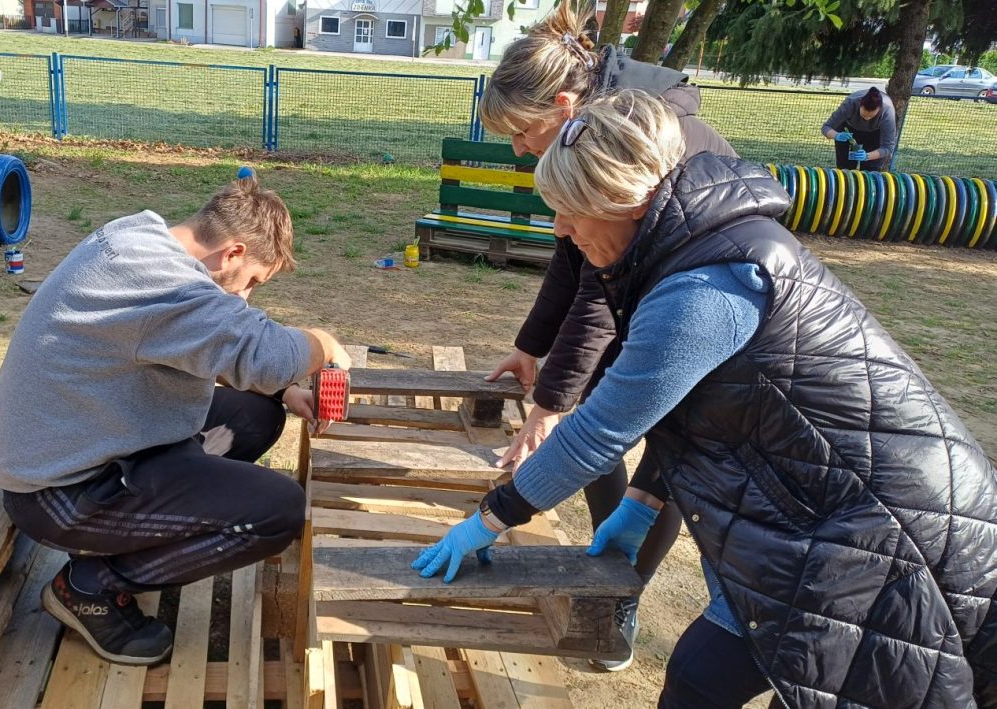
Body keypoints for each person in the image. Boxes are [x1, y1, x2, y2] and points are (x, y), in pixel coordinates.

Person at [412, 90, 997, 708]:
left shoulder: (709, 284)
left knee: (704, 680)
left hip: (884, 537)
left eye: (567, 210)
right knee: (726, 678)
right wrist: (640, 506)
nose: (559, 229)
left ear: (624, 200)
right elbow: (697, 414)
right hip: (810, 519)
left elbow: (599, 433)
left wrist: (489, 520)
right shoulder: (693, 253)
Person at [0, 168, 351, 667]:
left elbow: (198, 349)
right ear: (234, 252)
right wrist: (325, 342)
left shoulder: (139, 235)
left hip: (85, 437)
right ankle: (89, 588)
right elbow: (265, 354)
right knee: (279, 511)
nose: (247, 297)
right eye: (253, 282)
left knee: (256, 412)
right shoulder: (166, 287)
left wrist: (285, 391)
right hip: (58, 495)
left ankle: (145, 523)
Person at [474, 0, 737, 671]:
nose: (518, 148)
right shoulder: (582, 138)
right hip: (653, 282)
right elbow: (573, 260)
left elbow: (596, 294)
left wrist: (550, 406)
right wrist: (531, 350)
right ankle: (611, 549)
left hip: (706, 294)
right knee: (599, 415)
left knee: (668, 446)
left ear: (565, 103)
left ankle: (620, 594)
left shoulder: (643, 131)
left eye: (524, 131)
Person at [822, 86, 897, 170]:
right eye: (864, 115)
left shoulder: (887, 112)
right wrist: (837, 135)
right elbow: (826, 127)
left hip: (875, 133)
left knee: (870, 169)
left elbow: (887, 147)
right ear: (860, 104)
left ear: (879, 109)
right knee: (845, 167)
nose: (867, 119)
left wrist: (868, 156)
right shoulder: (850, 103)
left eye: (871, 116)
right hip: (849, 131)